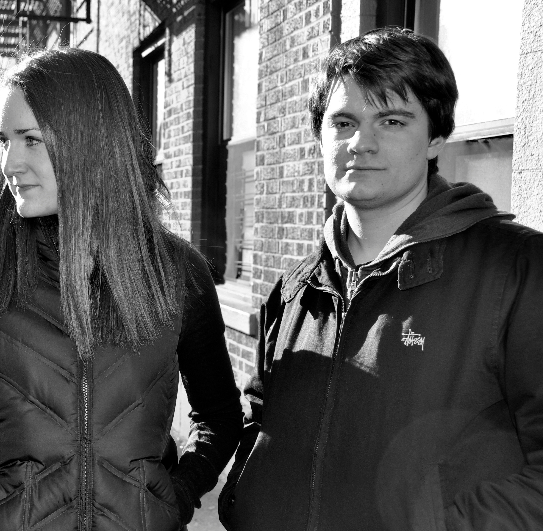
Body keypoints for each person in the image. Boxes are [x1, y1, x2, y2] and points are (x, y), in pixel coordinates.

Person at [0, 48, 243, 531]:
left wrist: (171, 502)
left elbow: (220, 417)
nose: (10, 163)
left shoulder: (177, 273)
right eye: (5, 141)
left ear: (93, 142)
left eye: (31, 140)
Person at [219, 27, 543, 530]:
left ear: (436, 136)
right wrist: (244, 496)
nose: (360, 143)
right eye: (343, 122)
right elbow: (261, 416)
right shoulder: (296, 288)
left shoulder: (517, 271)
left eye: (391, 120)